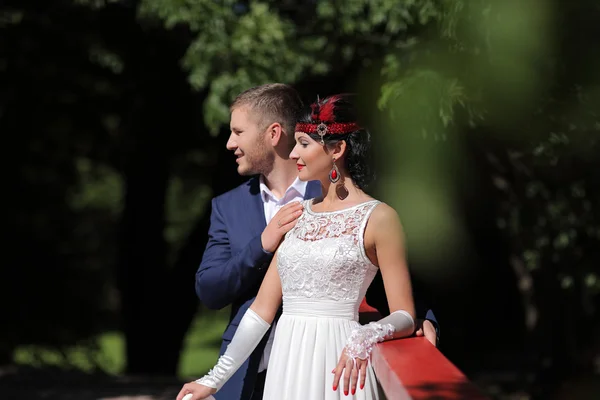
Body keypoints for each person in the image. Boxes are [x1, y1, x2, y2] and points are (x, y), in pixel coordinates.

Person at [179, 94, 431, 400]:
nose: (295, 152)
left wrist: (365, 337)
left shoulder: (379, 217)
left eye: (304, 144)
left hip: (341, 359)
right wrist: (212, 380)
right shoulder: (299, 215)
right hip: (287, 365)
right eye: (296, 142)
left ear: (337, 149)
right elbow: (260, 312)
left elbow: (404, 309)